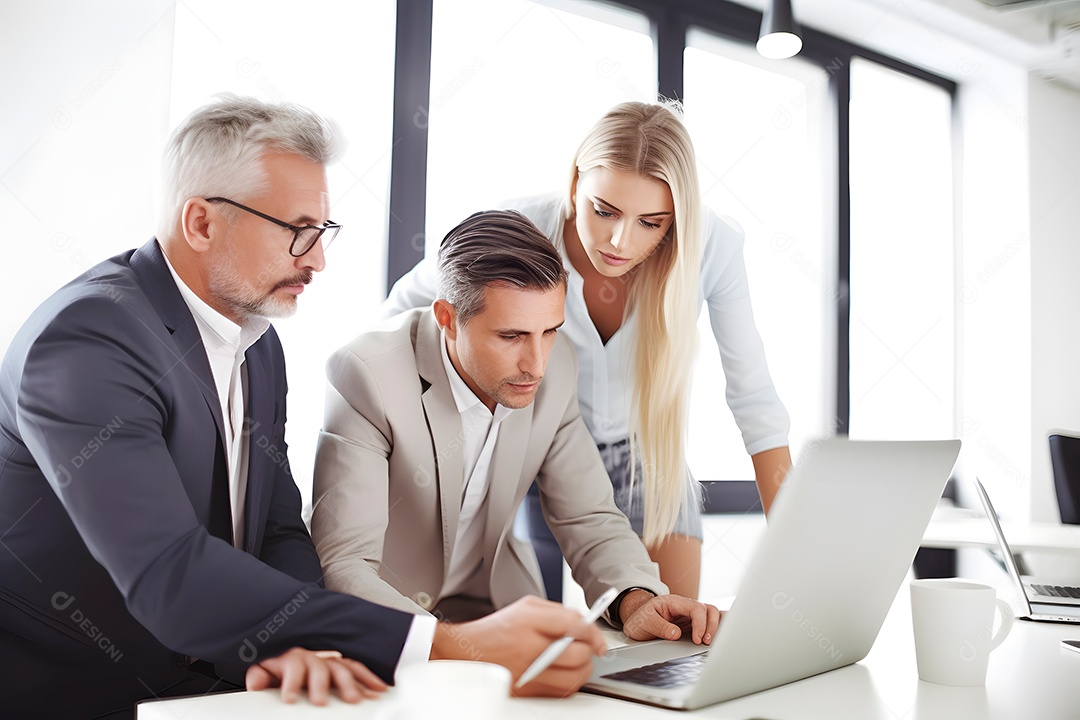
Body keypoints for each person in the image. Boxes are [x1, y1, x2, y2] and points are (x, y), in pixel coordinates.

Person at [0, 96, 607, 720]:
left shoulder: (258, 345)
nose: (318, 258)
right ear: (202, 223)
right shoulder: (89, 338)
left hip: (212, 687)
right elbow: (170, 573)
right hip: (69, 693)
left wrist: (304, 638)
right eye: (297, 231)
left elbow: (277, 531)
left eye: (322, 232)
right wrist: (446, 642)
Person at [383, 101, 793, 599]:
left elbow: (755, 399)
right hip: (532, 438)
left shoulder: (713, 245)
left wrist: (797, 553)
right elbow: (401, 314)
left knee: (675, 628)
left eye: (652, 222)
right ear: (576, 183)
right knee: (536, 636)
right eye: (605, 211)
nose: (621, 241)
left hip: (643, 449)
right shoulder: (520, 229)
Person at [311, 210, 720, 645]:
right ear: (447, 318)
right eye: (511, 336)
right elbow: (345, 565)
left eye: (550, 331)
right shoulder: (367, 373)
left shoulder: (556, 367)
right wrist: (450, 647)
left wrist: (636, 598)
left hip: (500, 608)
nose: (537, 364)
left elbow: (588, 515)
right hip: (388, 625)